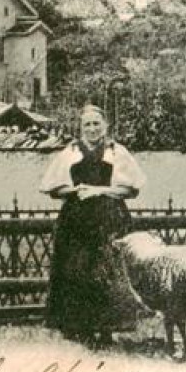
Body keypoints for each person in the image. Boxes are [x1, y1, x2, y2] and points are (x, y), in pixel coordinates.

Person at [40, 104, 146, 347]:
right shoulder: (71, 152)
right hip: (76, 219)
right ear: (80, 128)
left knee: (108, 270)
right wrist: (74, 190)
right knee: (77, 269)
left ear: (106, 126)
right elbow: (54, 189)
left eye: (96, 124)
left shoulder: (117, 152)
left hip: (108, 217)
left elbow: (131, 190)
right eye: (87, 124)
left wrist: (101, 190)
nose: (92, 129)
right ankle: (81, 328)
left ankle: (107, 329)